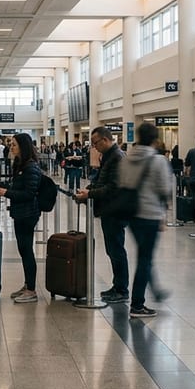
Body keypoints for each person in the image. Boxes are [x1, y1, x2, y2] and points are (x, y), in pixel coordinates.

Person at [121, 123, 173, 318]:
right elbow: (165, 189)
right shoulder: (158, 160)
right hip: (150, 215)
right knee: (145, 258)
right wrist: (163, 214)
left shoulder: (127, 158)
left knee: (144, 256)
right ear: (155, 139)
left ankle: (155, 290)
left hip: (132, 214)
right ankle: (137, 304)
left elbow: (122, 183)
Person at [75, 127, 129, 303]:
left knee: (116, 250)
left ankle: (122, 289)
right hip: (109, 210)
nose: (94, 147)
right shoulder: (109, 157)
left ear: (105, 140)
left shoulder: (117, 158)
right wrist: (88, 191)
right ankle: (118, 285)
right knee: (112, 249)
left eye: (95, 143)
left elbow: (114, 188)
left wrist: (89, 195)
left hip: (116, 210)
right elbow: (100, 181)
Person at [0, 133, 43, 304]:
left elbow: (29, 193)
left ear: (23, 146)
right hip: (21, 213)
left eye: (14, 144)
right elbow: (20, 186)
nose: (12, 147)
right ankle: (27, 285)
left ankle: (31, 290)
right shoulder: (21, 165)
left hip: (28, 214)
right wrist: (7, 187)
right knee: (24, 251)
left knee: (27, 250)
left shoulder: (31, 167)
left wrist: (7, 193)